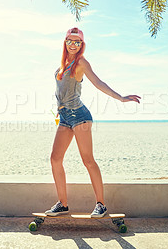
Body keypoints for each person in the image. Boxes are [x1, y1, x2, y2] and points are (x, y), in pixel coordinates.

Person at [45, 27, 141, 218]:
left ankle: (101, 204)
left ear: (82, 45)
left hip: (80, 116)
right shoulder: (62, 65)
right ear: (65, 42)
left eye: (77, 41)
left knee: (88, 160)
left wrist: (121, 98)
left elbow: (98, 83)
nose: (73, 44)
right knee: (55, 159)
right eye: (70, 41)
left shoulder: (81, 63)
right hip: (64, 117)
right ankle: (63, 204)